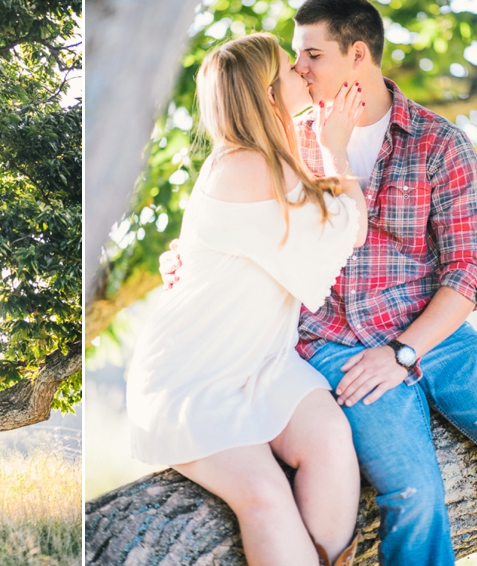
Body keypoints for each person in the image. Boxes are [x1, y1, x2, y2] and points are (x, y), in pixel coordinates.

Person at [160, 0, 477, 566]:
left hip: (436, 335)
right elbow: (230, 215)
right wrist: (183, 252)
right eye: (295, 56)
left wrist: (404, 353)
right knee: (415, 495)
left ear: (357, 56)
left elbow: (471, 270)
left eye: (312, 55)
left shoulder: (439, 142)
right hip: (333, 345)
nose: (299, 69)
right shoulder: (285, 140)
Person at [128, 31, 369, 566]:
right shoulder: (248, 166)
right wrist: (337, 148)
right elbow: (350, 228)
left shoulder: (265, 159)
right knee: (264, 495)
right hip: (195, 373)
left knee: (330, 438)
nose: (302, 72)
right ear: (267, 94)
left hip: (259, 358)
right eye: (289, 68)